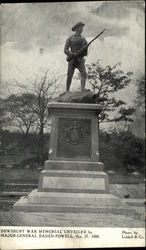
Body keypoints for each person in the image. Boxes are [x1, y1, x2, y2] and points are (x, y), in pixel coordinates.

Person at [64, 22, 88, 92]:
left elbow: (85, 52)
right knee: (70, 75)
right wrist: (72, 54)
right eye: (80, 28)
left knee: (84, 73)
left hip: (80, 60)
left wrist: (84, 50)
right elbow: (65, 50)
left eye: (82, 28)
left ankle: (83, 88)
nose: (82, 29)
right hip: (72, 59)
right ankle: (67, 90)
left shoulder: (83, 39)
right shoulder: (70, 38)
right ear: (77, 28)